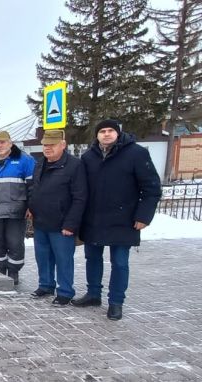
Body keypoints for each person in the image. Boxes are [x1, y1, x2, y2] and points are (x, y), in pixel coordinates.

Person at [73, 120, 161, 320]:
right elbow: (81, 189)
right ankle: (94, 294)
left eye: (110, 130)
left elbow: (151, 188)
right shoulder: (88, 157)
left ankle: (116, 302)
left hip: (125, 219)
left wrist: (143, 216)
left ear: (118, 133)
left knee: (120, 262)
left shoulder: (136, 154)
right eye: (102, 131)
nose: (106, 134)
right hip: (93, 218)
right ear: (97, 135)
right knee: (92, 258)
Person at [28, 129, 87, 305]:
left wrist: (71, 224)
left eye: (51, 145)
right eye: (45, 145)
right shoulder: (40, 163)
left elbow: (80, 197)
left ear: (63, 145)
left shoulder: (74, 165)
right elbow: (34, 188)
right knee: (43, 256)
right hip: (41, 220)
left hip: (62, 223)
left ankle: (65, 291)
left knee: (63, 259)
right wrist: (31, 207)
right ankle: (45, 285)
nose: (47, 148)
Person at [0, 130, 35, 285]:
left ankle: (13, 271)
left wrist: (31, 206)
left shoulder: (25, 160)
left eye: (3, 142)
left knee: (15, 242)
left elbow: (33, 186)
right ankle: (0, 268)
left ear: (10, 143)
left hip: (17, 210)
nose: (0, 145)